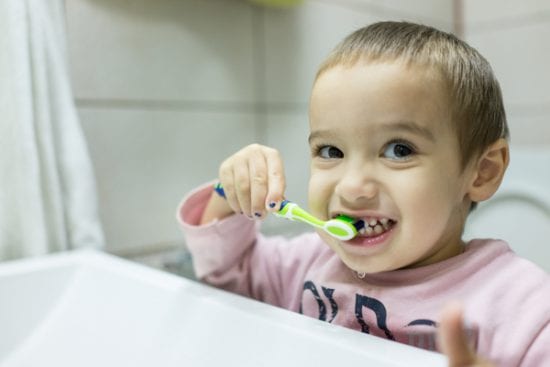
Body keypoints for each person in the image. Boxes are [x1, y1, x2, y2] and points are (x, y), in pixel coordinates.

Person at [178, 21, 549, 366]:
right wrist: (230, 193)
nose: (352, 187)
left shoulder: (524, 308)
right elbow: (226, 274)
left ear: (482, 172)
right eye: (331, 152)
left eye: (398, 150)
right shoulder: (308, 262)